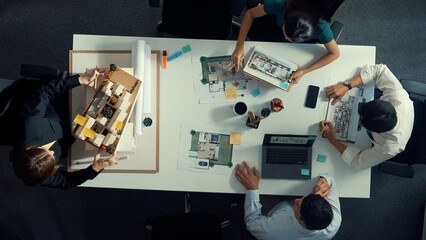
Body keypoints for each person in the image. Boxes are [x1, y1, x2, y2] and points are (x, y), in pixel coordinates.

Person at [12, 68, 118, 189]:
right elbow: (67, 182)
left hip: (68, 106)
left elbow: (44, 92)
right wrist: (94, 169)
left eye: (47, 151)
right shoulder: (38, 175)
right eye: (52, 157)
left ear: (31, 148)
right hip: (77, 135)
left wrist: (80, 80)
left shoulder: (29, 123)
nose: (53, 152)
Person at [320, 64, 414, 170]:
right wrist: (347, 86)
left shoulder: (389, 147)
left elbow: (358, 162)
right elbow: (379, 70)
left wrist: (332, 139)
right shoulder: (399, 97)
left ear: (373, 131)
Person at [232, 0, 340, 83]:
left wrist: (304, 71)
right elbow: (249, 14)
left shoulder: (321, 27)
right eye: (287, 35)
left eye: (291, 40)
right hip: (272, 28)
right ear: (285, 20)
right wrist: (239, 46)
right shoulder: (280, 4)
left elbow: (335, 54)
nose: (286, 39)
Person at [234, 161, 341, 240]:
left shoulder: (273, 231)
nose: (296, 200)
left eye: (298, 205)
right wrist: (324, 180)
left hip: (274, 207)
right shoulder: (334, 221)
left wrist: (252, 189)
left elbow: (252, 222)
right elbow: (332, 182)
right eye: (303, 198)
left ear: (301, 220)